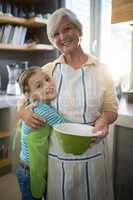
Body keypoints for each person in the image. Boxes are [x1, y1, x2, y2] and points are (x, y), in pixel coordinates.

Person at [18, 8, 118, 200]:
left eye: (67, 28)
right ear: (52, 40)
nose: (62, 36)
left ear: (79, 30)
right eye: (55, 34)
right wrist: (23, 112)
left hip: (94, 154)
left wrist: (105, 119)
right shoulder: (48, 70)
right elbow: (25, 97)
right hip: (58, 159)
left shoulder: (102, 69)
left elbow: (111, 108)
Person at [16, 67, 68, 200]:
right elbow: (65, 127)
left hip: (25, 167)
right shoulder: (43, 110)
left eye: (47, 79)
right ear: (30, 95)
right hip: (30, 171)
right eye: (39, 85)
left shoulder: (33, 105)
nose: (48, 85)